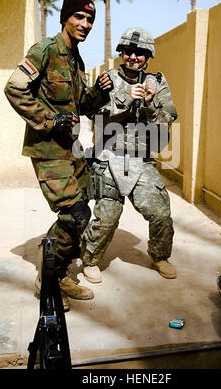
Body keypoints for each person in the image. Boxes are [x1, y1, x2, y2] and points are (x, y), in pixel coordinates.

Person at [4, 0, 112, 311]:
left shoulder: (76, 60)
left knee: (80, 210)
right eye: (79, 17)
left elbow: (80, 107)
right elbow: (14, 87)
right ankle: (48, 281)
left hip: (72, 149)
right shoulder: (45, 50)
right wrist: (50, 120)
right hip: (49, 149)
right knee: (75, 214)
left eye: (90, 19)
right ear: (65, 18)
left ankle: (61, 273)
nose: (85, 24)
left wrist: (99, 92)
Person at [81, 27, 178, 284]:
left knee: (160, 213)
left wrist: (148, 105)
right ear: (122, 53)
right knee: (108, 217)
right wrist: (122, 100)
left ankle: (160, 256)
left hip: (141, 158)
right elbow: (94, 115)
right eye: (129, 51)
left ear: (148, 55)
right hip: (108, 157)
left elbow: (169, 116)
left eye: (140, 53)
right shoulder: (108, 79)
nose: (133, 57)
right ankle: (90, 259)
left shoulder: (156, 82)